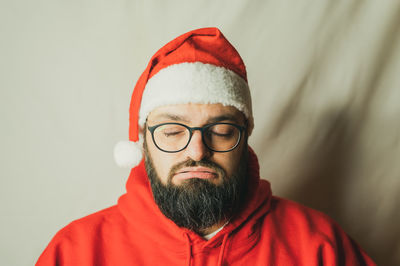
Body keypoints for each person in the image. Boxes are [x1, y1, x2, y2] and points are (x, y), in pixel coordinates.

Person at [36, 27, 375, 266]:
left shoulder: (320, 246)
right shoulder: (74, 252)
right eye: (172, 132)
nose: (197, 151)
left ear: (245, 136)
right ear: (141, 142)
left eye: (222, 130)